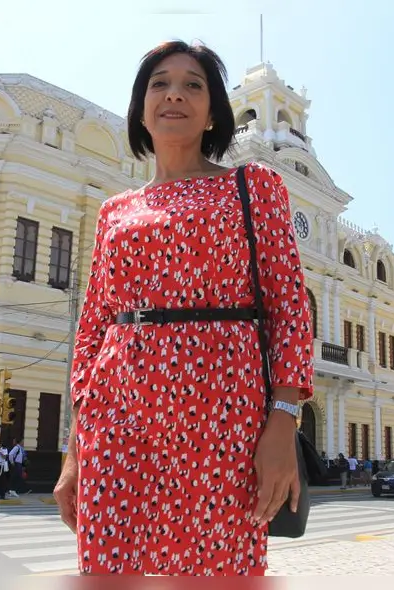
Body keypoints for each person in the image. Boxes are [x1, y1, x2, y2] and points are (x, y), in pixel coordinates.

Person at [51, 40, 315, 577]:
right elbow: (93, 329)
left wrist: (284, 421)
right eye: (159, 84)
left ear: (214, 109)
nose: (175, 94)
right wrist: (75, 451)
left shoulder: (253, 186)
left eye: (193, 84)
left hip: (222, 421)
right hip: (117, 420)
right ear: (141, 106)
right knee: (110, 571)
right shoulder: (114, 212)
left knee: (219, 570)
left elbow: (289, 307)